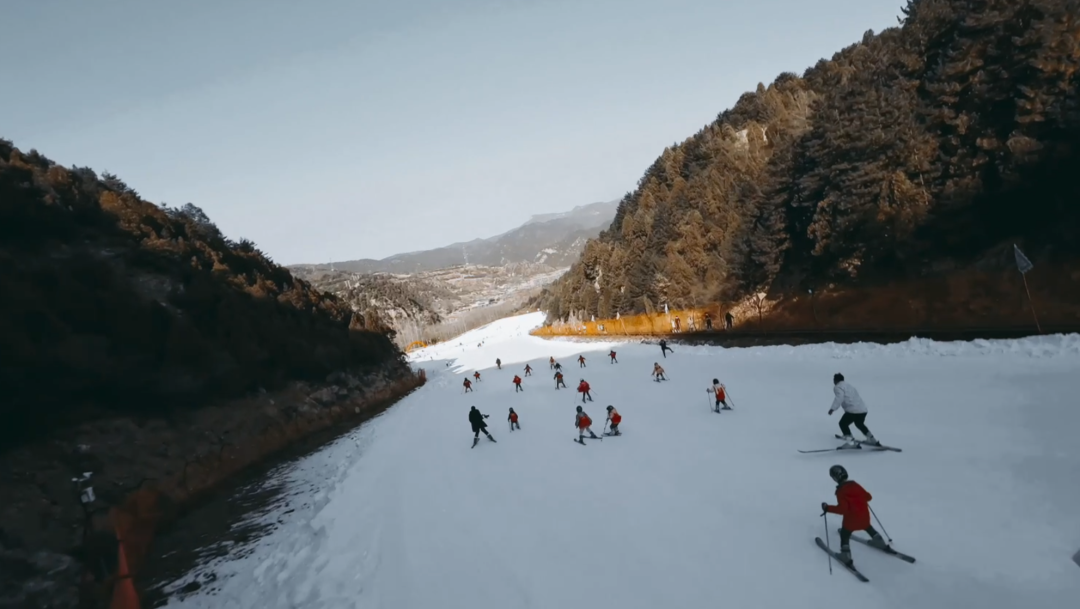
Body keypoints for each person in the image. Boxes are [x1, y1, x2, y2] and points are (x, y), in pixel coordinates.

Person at [821, 465, 887, 566]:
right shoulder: (855, 484)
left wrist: (827, 508)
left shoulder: (841, 491)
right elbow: (868, 497)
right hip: (865, 518)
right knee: (867, 527)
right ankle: (879, 541)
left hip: (850, 522)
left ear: (834, 478)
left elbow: (843, 509)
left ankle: (845, 555)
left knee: (844, 533)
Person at [828, 373, 879, 447]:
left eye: (834, 380)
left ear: (836, 380)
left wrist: (832, 408)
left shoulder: (838, 387)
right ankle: (872, 439)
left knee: (843, 423)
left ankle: (850, 442)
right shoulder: (849, 386)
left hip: (853, 410)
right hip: (862, 409)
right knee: (859, 424)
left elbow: (839, 397)